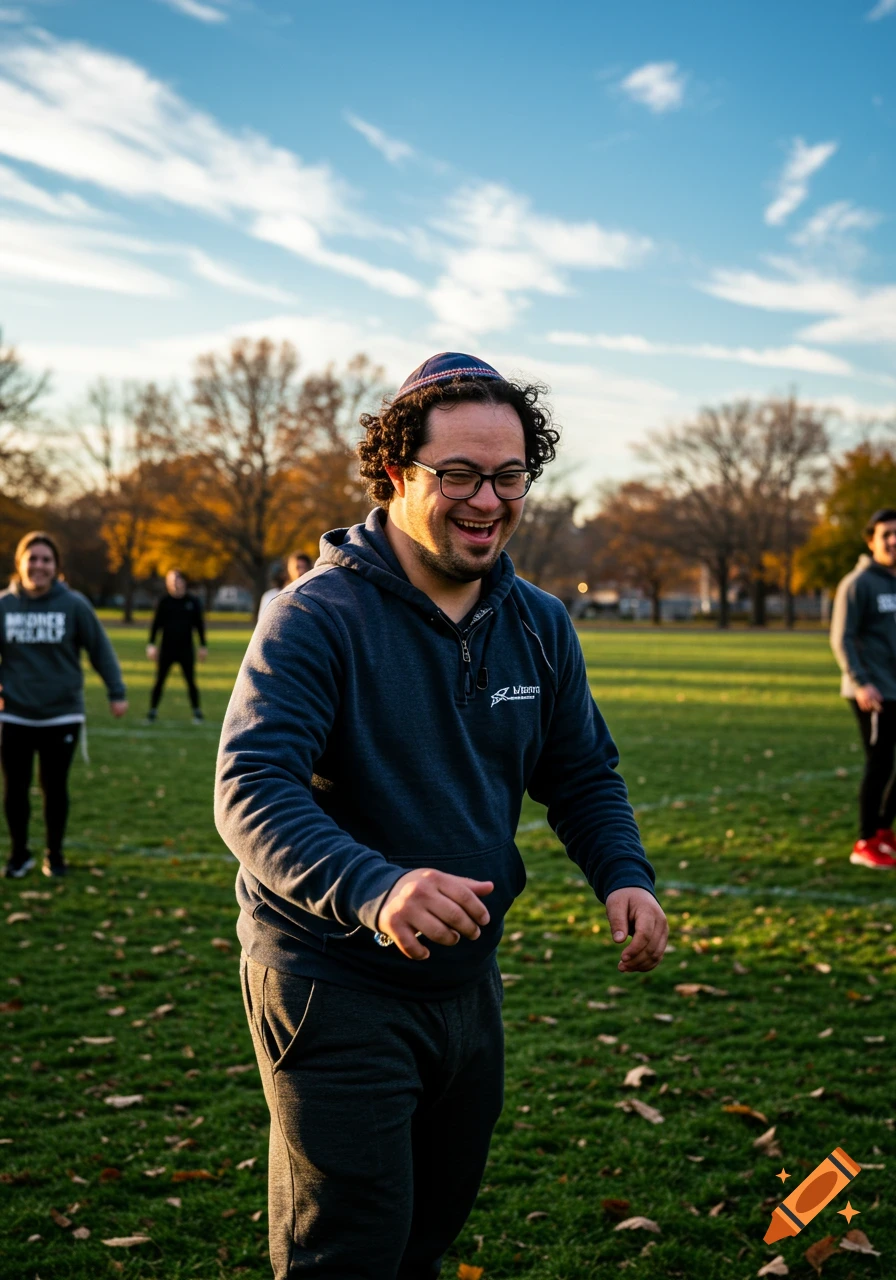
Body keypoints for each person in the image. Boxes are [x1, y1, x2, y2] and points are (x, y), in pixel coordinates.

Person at [215, 352, 668, 1280]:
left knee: (428, 1230)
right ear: (396, 473)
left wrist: (624, 874)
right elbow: (251, 786)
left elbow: (581, 771)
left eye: (508, 476)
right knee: (348, 1249)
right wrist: (378, 889)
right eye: (457, 474)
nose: (486, 500)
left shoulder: (539, 621)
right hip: (331, 980)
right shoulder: (315, 615)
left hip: (467, 987)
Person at [0, 531, 127, 878]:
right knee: (14, 790)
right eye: (33, 558)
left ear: (55, 567)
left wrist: (116, 690)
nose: (39, 566)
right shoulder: (4, 605)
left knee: (54, 789)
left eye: (46, 560)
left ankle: (53, 856)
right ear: (20, 562)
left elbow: (99, 648)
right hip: (14, 713)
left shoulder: (73, 604)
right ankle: (18, 855)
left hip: (61, 714)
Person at [831, 507, 896, 869]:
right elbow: (842, 638)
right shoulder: (857, 584)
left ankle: (884, 830)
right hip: (873, 692)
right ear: (871, 541)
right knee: (880, 765)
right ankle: (865, 840)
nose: (893, 540)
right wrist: (861, 682)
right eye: (885, 534)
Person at [146, 569, 207, 723]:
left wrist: (203, 645)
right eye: (170, 581)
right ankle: (152, 711)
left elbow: (199, 625)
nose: (173, 584)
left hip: (185, 648)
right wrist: (151, 644)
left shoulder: (192, 602)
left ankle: (197, 712)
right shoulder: (164, 601)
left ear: (183, 581)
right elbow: (156, 625)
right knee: (159, 680)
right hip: (167, 648)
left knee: (190, 681)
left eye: (176, 580)